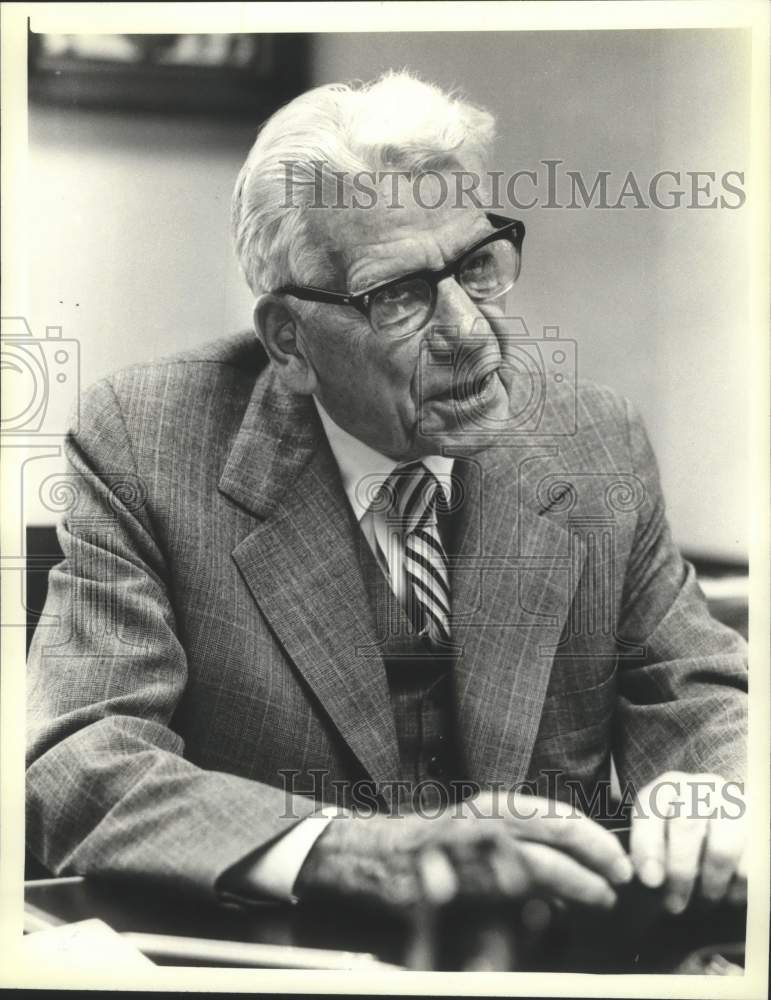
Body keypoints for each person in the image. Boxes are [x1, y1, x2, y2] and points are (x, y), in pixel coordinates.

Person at [26, 72, 747, 919]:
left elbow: (694, 689)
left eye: (476, 265)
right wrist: (357, 851)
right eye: (399, 295)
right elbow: (80, 762)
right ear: (289, 342)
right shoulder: (148, 443)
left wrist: (714, 792)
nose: (472, 334)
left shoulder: (595, 443)